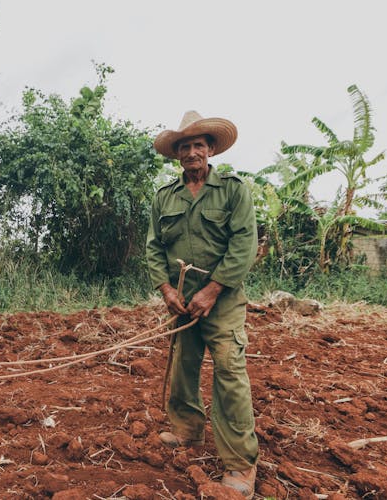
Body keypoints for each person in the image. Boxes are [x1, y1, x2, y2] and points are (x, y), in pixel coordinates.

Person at [146, 110, 258, 499]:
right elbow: (153, 247)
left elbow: (244, 245)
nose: (191, 152)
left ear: (210, 149)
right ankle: (187, 430)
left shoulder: (233, 190)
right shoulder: (165, 197)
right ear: (177, 154)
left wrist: (211, 290)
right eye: (184, 147)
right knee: (183, 364)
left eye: (198, 145)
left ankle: (241, 462)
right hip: (180, 298)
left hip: (222, 299)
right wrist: (166, 289)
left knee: (229, 371)